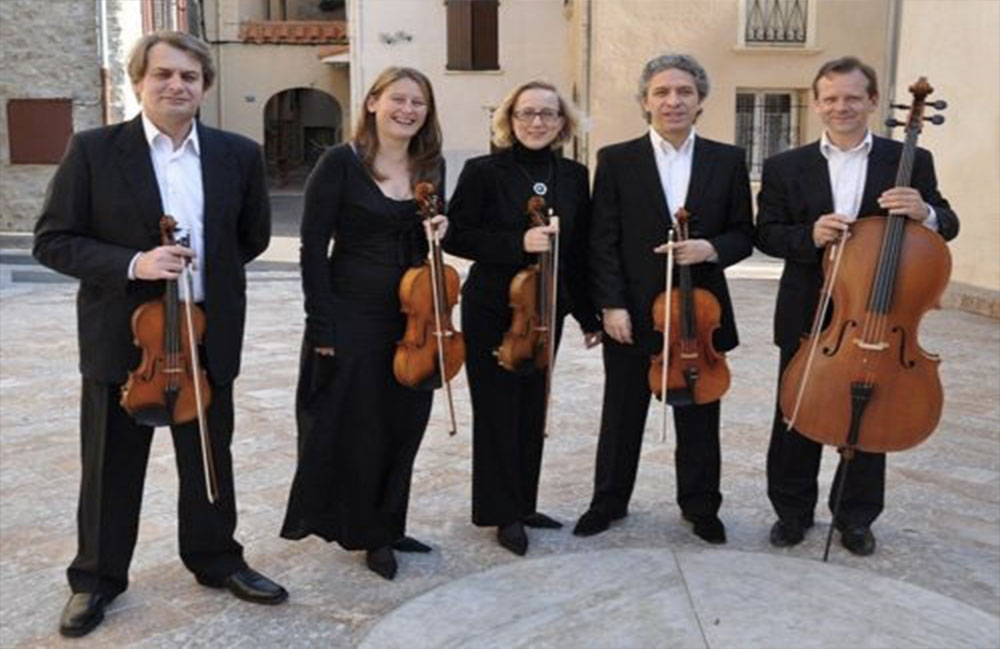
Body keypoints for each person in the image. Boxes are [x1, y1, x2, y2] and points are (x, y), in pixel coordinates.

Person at [33, 31, 286, 638]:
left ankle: (216, 558)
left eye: (189, 77)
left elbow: (249, 238)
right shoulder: (94, 150)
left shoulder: (237, 154)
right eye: (163, 75)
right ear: (138, 82)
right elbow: (53, 241)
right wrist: (134, 264)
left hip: (205, 332)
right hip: (126, 338)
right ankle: (96, 579)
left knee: (208, 457)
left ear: (205, 87)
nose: (177, 85)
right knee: (110, 465)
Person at [755, 56, 958, 556]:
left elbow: (947, 223)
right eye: (830, 98)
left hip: (882, 315)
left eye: (852, 97)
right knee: (796, 412)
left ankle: (856, 518)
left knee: (872, 414)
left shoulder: (908, 159)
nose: (840, 107)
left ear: (872, 101)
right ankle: (792, 512)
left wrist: (925, 212)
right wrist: (810, 235)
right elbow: (767, 234)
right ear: (816, 103)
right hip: (810, 312)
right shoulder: (785, 166)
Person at [574, 54, 753, 544]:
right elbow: (602, 239)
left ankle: (701, 507)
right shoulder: (616, 159)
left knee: (699, 413)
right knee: (622, 412)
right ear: (645, 101)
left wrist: (711, 248)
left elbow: (744, 232)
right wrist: (611, 305)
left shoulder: (728, 160)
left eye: (684, 92)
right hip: (633, 312)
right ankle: (608, 501)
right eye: (662, 92)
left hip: (700, 314)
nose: (673, 101)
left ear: (700, 100)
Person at [280, 67, 448, 581]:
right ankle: (367, 532)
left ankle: (391, 522)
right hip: (353, 313)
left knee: (405, 422)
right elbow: (313, 248)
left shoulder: (431, 164)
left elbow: (428, 238)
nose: (407, 110)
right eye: (398, 99)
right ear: (373, 102)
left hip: (414, 317)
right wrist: (321, 324)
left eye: (418, 102)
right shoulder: (340, 162)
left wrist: (441, 226)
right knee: (361, 426)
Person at [443, 81, 602, 556]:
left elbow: (578, 251)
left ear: (562, 123)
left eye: (548, 114)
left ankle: (524, 502)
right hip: (494, 308)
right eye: (527, 113)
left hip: (546, 308)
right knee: (497, 409)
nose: (537, 122)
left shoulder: (573, 175)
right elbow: (457, 236)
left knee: (534, 406)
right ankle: (501, 512)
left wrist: (588, 315)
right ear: (509, 120)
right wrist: (518, 243)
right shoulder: (483, 171)